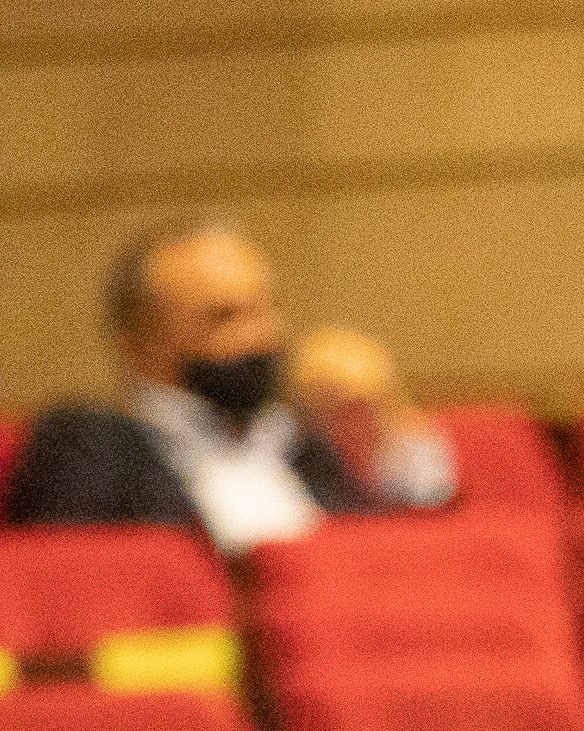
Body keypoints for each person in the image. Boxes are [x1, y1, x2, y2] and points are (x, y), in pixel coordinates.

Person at [6, 218, 457, 552]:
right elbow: (67, 584)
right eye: (225, 318)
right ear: (139, 344)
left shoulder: (304, 444)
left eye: (263, 310)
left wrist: (384, 428)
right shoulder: (88, 445)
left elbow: (409, 562)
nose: (259, 337)